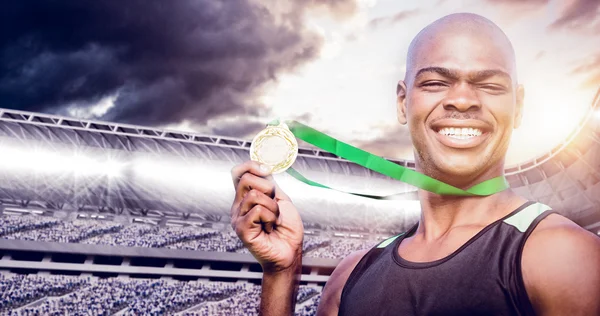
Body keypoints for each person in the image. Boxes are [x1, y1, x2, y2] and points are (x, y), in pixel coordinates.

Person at [229, 13, 600, 316]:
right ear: (403, 103)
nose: (463, 100)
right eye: (437, 82)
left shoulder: (565, 257)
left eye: (489, 85)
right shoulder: (348, 280)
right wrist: (281, 273)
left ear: (517, 108)